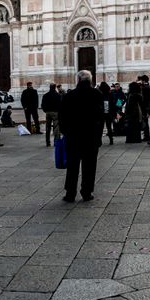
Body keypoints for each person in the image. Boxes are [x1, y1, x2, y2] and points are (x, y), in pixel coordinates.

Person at [60, 70, 105, 202]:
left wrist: (66, 133)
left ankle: (70, 193)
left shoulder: (70, 95)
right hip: (91, 137)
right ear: (90, 80)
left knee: (72, 166)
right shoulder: (97, 94)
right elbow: (101, 116)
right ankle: (86, 192)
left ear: (78, 80)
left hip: (73, 138)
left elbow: (62, 117)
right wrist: (98, 135)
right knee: (90, 167)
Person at [139, 75, 150, 142]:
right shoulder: (149, 87)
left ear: (144, 80)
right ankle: (147, 136)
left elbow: (146, 100)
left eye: (141, 80)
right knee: (145, 123)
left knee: (145, 123)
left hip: (145, 108)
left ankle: (146, 136)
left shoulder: (145, 88)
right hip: (147, 108)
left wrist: (148, 111)